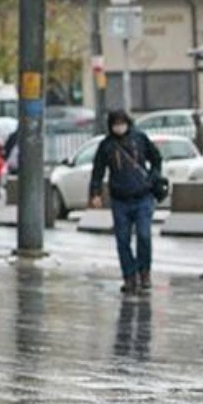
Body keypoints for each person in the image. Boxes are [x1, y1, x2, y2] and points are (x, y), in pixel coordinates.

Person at [89, 110, 162, 295]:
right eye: (116, 123)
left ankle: (144, 271)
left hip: (143, 196)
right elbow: (98, 170)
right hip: (120, 199)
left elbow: (156, 159)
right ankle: (129, 276)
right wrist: (95, 193)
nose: (119, 126)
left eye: (122, 122)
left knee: (144, 235)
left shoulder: (139, 138)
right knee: (123, 240)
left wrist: (153, 178)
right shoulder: (107, 145)